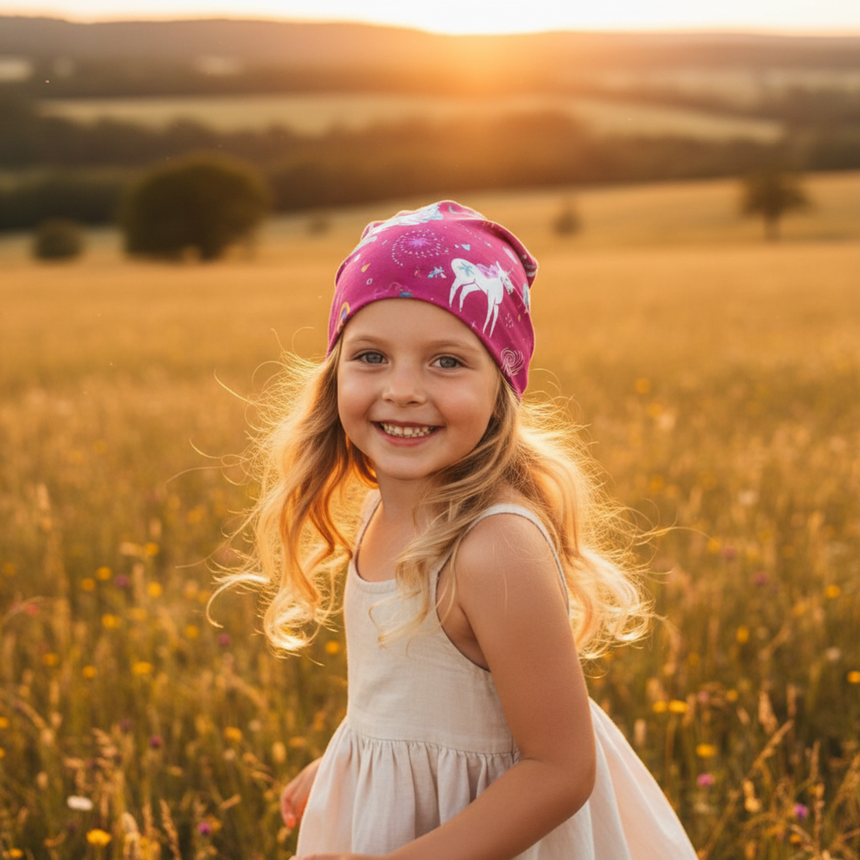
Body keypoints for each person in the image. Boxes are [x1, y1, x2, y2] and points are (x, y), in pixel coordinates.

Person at [220, 201, 698, 859]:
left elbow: (559, 771)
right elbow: (419, 702)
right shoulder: (379, 514)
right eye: (371, 356)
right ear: (334, 374)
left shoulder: (492, 547)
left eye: (446, 362)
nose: (404, 390)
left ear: (501, 384)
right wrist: (349, 761)